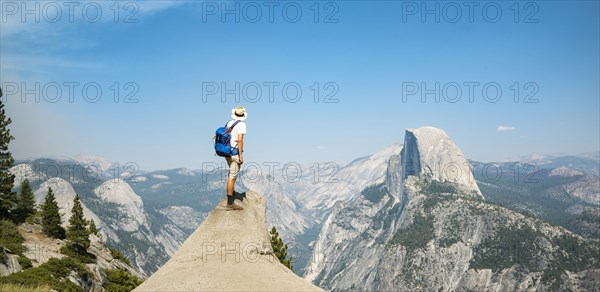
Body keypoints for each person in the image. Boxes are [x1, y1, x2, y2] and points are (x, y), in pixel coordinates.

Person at [224, 106, 247, 211]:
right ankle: (230, 203)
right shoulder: (241, 125)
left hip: (227, 152)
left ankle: (231, 192)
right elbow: (240, 140)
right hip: (234, 152)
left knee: (231, 172)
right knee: (232, 176)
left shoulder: (229, 123)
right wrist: (240, 156)